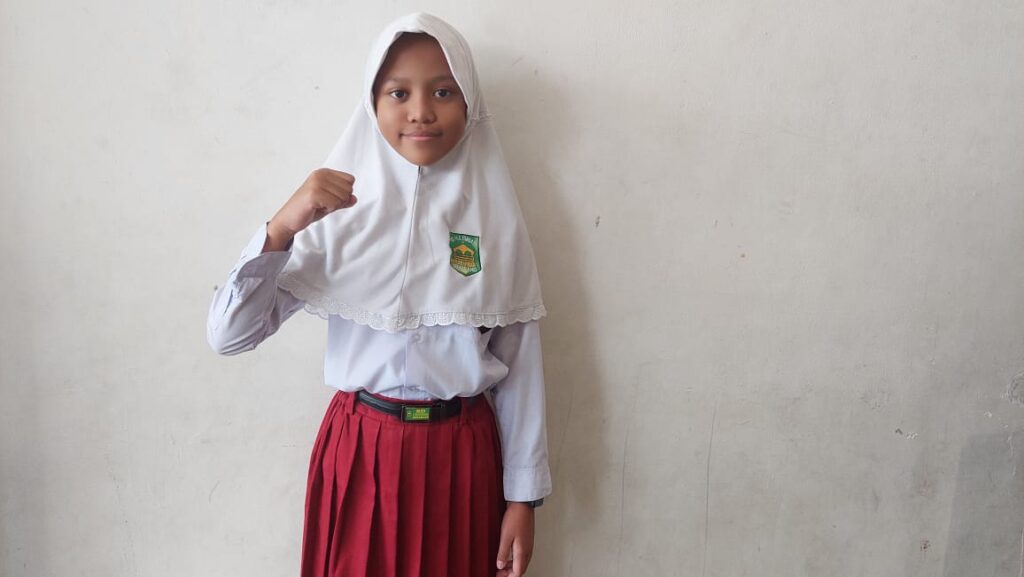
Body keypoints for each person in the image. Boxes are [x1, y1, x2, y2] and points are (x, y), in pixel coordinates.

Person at [206, 12, 550, 577]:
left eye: (444, 91)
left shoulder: (496, 223)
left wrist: (523, 498)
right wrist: (281, 227)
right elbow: (229, 336)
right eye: (399, 92)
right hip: (360, 451)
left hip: (462, 457)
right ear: (372, 103)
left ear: (471, 103)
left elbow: (521, 368)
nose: (421, 111)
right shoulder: (333, 219)